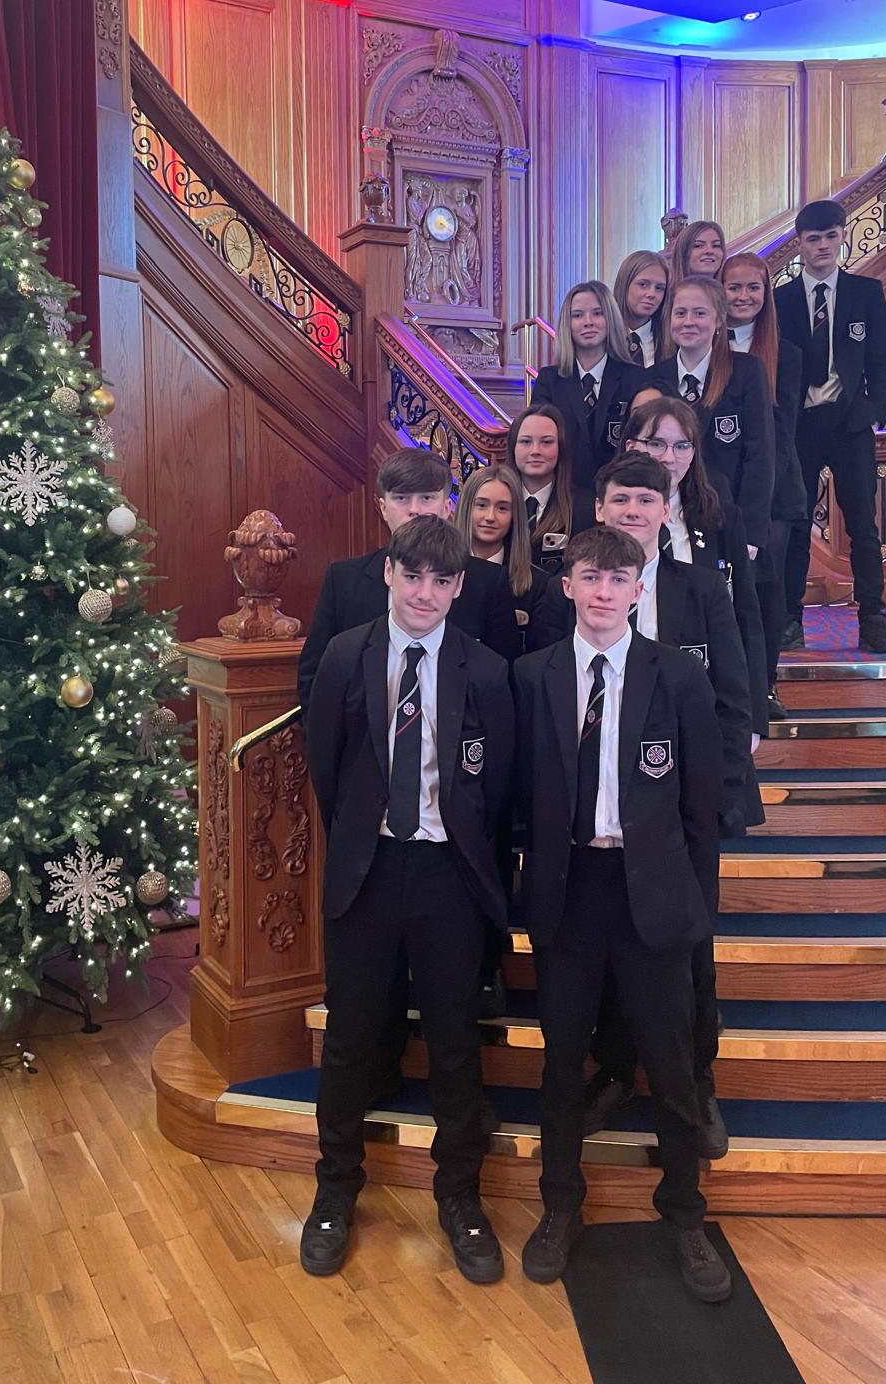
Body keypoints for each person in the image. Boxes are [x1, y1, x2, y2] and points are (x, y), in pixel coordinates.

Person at [515, 525, 730, 1303]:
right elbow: (516, 795)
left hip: (652, 892)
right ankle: (559, 1205)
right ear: (568, 585)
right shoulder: (532, 676)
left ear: (638, 591)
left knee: (671, 1064)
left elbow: (701, 807)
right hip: (570, 890)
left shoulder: (677, 676)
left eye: (618, 579)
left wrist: (694, 907)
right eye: (590, 577)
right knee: (561, 1060)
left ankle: (685, 1214)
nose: (603, 591)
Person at [303, 516, 514, 1284]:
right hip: (368, 867)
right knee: (351, 1035)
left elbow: (499, 790)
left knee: (454, 1041)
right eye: (413, 575)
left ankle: (459, 1195)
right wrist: (366, 834)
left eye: (441, 580)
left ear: (458, 587)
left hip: (448, 875)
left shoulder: (485, 670)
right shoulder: (344, 655)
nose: (425, 593)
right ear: (389, 572)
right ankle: (335, 1190)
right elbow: (327, 765)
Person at [582, 454, 753, 1159]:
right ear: (600, 508)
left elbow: (733, 698)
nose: (632, 510)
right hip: (602, 810)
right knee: (611, 948)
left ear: (665, 508)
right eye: (620, 498)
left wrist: (715, 802)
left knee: (690, 952)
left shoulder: (701, 587)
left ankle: (696, 1081)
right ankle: (616, 1071)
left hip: (683, 813)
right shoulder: (584, 588)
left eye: (645, 500)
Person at [297, 448, 521, 719]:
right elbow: (315, 678)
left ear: (447, 507)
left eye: (427, 497)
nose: (415, 510)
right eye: (402, 498)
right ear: (383, 508)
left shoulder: (488, 582)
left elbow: (502, 680)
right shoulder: (343, 580)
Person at [778, 199, 886, 655]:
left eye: (831, 236)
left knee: (863, 526)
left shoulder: (865, 293)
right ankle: (790, 618)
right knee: (795, 525)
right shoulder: (782, 300)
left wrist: (873, 413)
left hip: (849, 425)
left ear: (843, 236)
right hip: (800, 426)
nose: (823, 246)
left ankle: (873, 619)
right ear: (800, 244)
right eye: (814, 239)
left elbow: (882, 363)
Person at [622, 397, 769, 758]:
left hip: (704, 694)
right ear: (631, 447)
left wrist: (754, 716)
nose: (669, 457)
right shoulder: (610, 514)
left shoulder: (719, 517)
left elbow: (746, 618)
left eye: (681, 446)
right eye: (656, 443)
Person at [723, 251, 808, 716]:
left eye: (753, 287)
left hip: (773, 493)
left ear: (766, 293)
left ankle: (766, 684)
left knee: (763, 591)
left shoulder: (786, 354)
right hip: (719, 489)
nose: (743, 296)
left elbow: (781, 435)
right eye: (734, 287)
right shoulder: (701, 347)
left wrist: (755, 495)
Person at [647, 276, 775, 555]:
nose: (688, 322)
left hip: (727, 516)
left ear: (719, 320)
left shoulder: (746, 372)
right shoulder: (654, 378)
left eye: (699, 313)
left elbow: (760, 455)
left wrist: (750, 531)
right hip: (669, 522)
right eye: (680, 313)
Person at [529, 282, 644, 493]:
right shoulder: (549, 380)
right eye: (578, 315)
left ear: (610, 319)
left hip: (619, 494)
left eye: (597, 313)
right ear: (567, 324)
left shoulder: (636, 378)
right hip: (562, 495)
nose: (588, 322)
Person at [454, 462, 566, 653]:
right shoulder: (441, 575)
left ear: (515, 515)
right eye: (481, 505)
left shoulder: (538, 585)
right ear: (466, 508)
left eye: (502, 508)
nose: (490, 516)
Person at [505, 404, 592, 578]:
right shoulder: (495, 503)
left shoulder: (585, 507)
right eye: (526, 442)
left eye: (546, 442)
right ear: (513, 448)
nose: (535, 451)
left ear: (561, 448)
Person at [613, 249, 670, 368]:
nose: (652, 294)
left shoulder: (671, 342)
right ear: (625, 284)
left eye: (659, 288)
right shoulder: (602, 338)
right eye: (643, 285)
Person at [669, 218, 726, 285]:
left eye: (716, 245)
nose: (709, 251)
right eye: (698, 245)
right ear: (683, 253)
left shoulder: (731, 290)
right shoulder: (665, 290)